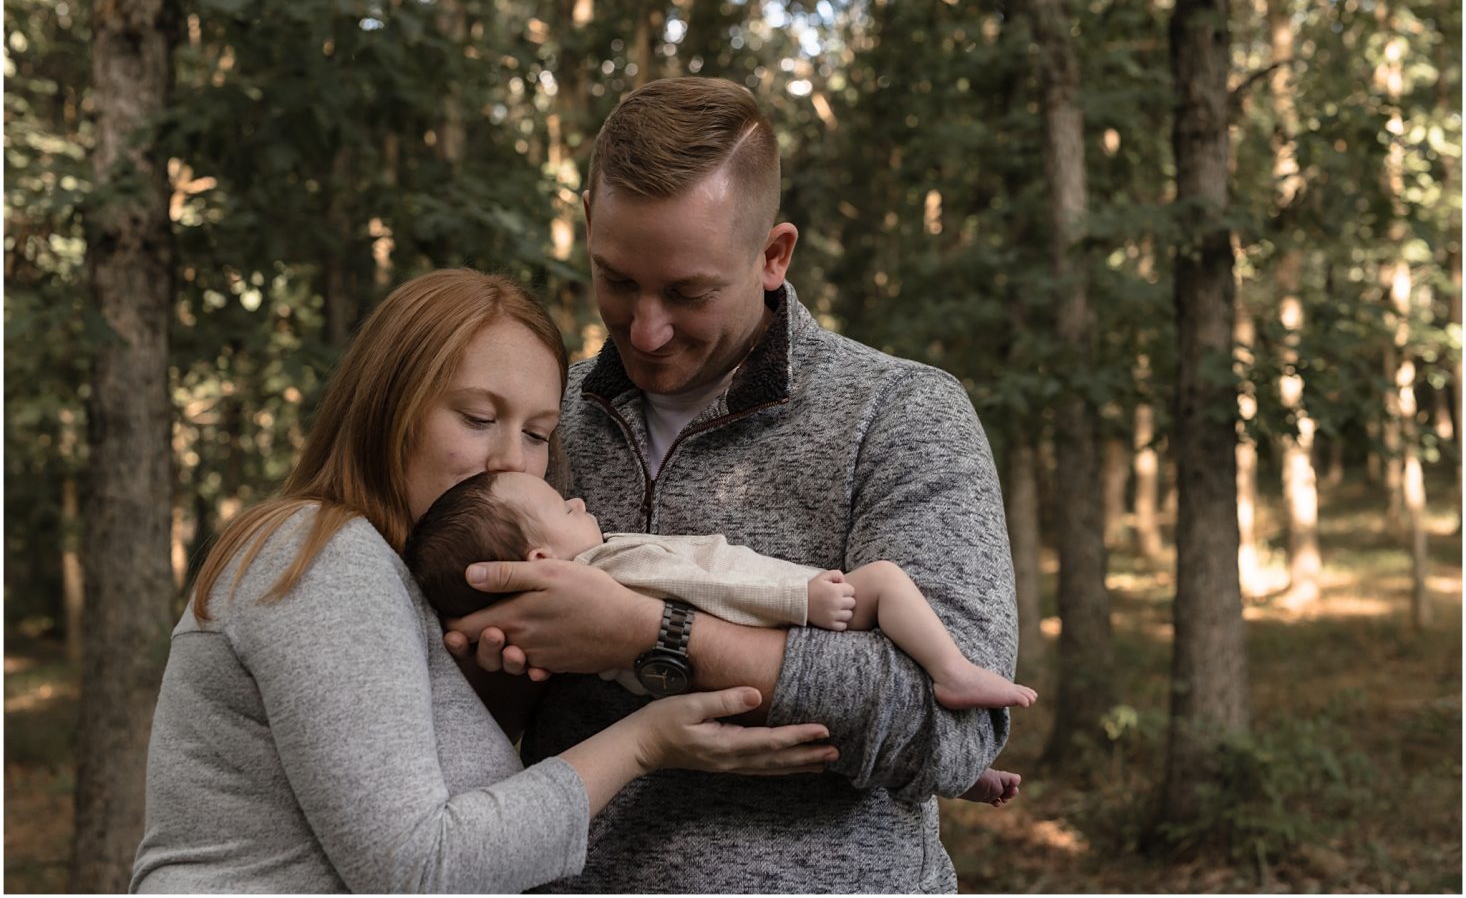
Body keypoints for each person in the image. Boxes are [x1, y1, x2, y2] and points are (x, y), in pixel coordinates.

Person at [444, 78, 1020, 891]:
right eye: (616, 279)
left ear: (774, 254)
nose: (647, 329)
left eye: (688, 292)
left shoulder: (901, 414)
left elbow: (952, 736)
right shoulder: (539, 418)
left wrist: (658, 634)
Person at [130, 269, 836, 894]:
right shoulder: (325, 556)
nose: (511, 462)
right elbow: (418, 870)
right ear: (388, 408)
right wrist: (646, 743)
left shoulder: (401, 578)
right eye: (477, 418)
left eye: (536, 434)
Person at [407, 469, 1029, 806]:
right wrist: (801, 597)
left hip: (724, 693)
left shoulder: (580, 600)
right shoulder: (613, 569)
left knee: (811, 734)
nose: (577, 499)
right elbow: (708, 585)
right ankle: (952, 671)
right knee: (887, 582)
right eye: (563, 509)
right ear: (541, 557)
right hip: (783, 612)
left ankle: (960, 772)